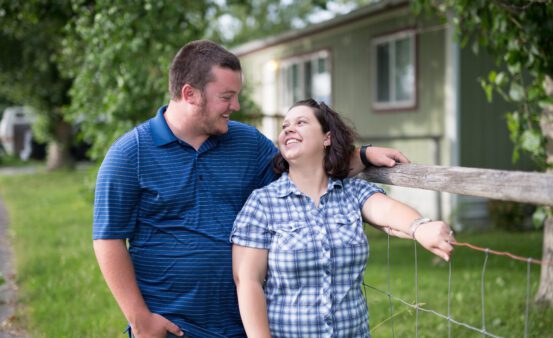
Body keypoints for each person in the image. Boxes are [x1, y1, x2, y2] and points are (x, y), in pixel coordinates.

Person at [93, 40, 409, 338]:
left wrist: (363, 155)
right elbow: (108, 239)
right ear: (190, 94)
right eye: (226, 96)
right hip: (171, 327)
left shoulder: (245, 142)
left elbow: (307, 169)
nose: (236, 105)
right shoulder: (129, 153)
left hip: (240, 325)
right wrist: (140, 320)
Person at [230, 99, 454, 338]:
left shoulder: (352, 193)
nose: (289, 129)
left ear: (327, 138)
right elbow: (247, 281)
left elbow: (387, 211)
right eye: (285, 126)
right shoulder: (263, 203)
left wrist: (420, 227)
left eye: (301, 122)